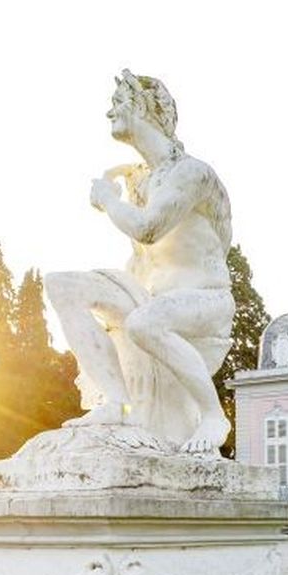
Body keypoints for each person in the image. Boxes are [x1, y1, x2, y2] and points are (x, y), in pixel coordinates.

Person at [44, 71, 234, 454]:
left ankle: (214, 415)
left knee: (144, 322)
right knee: (62, 285)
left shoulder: (192, 173)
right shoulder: (142, 182)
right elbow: (143, 257)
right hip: (151, 299)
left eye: (118, 102)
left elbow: (149, 229)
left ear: (143, 107)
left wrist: (109, 201)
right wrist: (110, 304)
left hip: (205, 301)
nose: (110, 111)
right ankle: (116, 403)